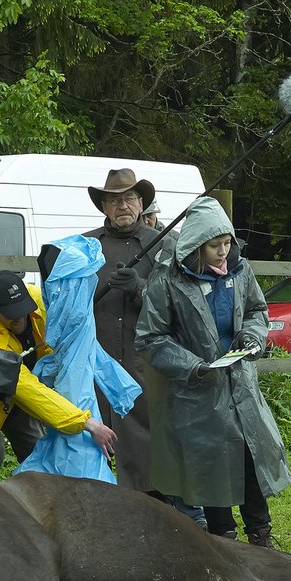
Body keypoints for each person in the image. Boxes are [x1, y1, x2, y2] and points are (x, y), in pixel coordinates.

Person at [135, 196, 291, 546]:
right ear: (196, 246)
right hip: (197, 389)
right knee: (210, 462)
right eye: (215, 245)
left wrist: (251, 338)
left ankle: (261, 536)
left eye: (227, 244)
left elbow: (256, 310)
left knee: (250, 456)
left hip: (240, 383)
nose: (223, 252)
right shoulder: (168, 280)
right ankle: (224, 540)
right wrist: (193, 366)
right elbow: (150, 337)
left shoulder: (241, 270)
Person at [0, 271, 117, 480]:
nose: (20, 319)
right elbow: (26, 389)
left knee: (39, 450)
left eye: (24, 310)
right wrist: (87, 424)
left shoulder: (38, 302)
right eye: (12, 314)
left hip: (22, 399)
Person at [83, 169, 178, 493]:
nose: (122, 205)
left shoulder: (165, 246)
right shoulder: (86, 246)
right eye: (114, 200)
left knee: (145, 446)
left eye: (129, 198)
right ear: (105, 206)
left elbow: (178, 303)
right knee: (91, 445)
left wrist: (140, 288)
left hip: (144, 364)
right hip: (95, 362)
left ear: (141, 203)